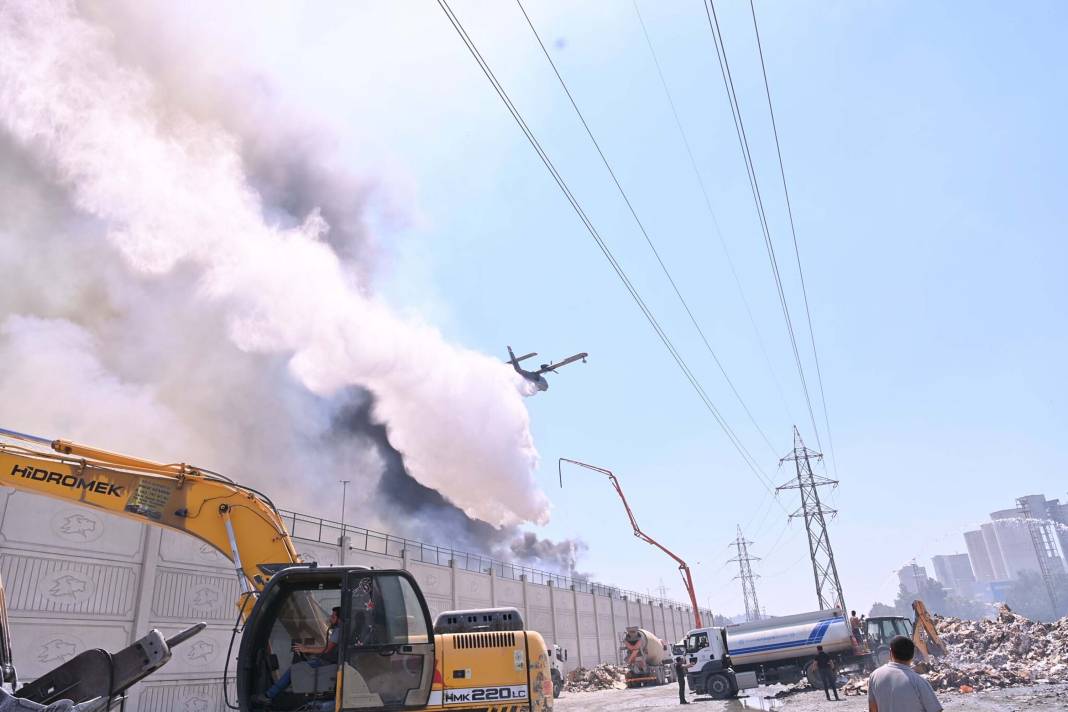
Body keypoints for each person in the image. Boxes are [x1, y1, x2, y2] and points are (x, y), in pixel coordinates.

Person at [252, 606, 341, 706]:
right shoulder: (340, 630)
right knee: (301, 667)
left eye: (333, 617)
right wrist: (308, 650)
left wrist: (305, 649)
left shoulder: (339, 630)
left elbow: (327, 649)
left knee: (294, 670)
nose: (330, 618)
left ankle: (268, 696)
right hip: (329, 662)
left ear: (340, 619)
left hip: (328, 664)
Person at [868, 635, 943, 712]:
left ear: (890, 653)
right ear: (913, 655)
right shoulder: (919, 682)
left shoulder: (874, 676)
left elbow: (873, 708)